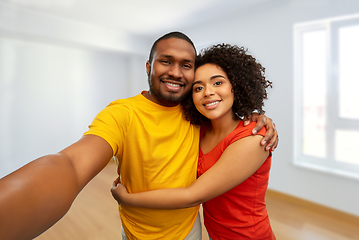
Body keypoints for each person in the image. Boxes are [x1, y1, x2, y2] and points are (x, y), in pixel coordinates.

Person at [0, 32, 278, 240]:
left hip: (192, 231)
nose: (175, 72)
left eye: (185, 65)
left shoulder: (208, 119)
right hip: (134, 231)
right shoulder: (125, 113)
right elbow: (71, 165)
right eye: (165, 62)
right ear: (149, 67)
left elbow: (196, 191)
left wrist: (260, 117)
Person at [111, 43, 276, 239]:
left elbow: (193, 196)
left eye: (217, 83)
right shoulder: (200, 131)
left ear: (235, 86)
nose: (208, 92)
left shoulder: (253, 139)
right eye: (198, 87)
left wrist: (127, 199)